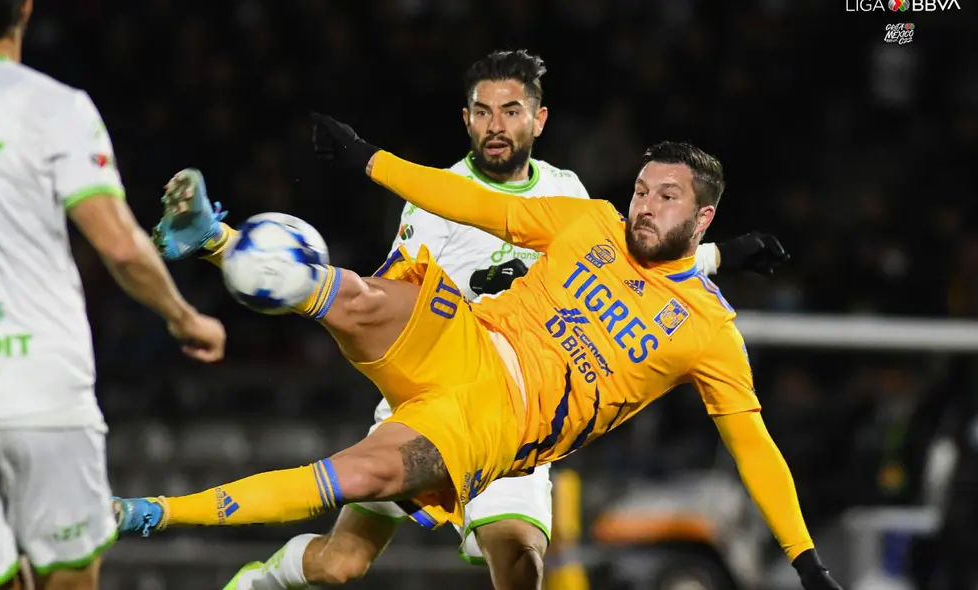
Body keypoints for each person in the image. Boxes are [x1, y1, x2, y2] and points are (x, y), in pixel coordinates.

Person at [120, 50, 788, 590]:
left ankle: (213, 242)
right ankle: (266, 580)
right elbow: (383, 296)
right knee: (340, 565)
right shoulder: (433, 201)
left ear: (539, 119)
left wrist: (720, 254)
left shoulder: (570, 194)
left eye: (513, 111)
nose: (498, 125)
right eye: (483, 112)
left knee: (519, 563)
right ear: (466, 120)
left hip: (525, 415)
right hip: (447, 378)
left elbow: (640, 262)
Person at [0, 1, 226, 588]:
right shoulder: (54, 107)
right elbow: (117, 244)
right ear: (26, 10)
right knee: (69, 577)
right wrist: (184, 317)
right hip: (42, 389)